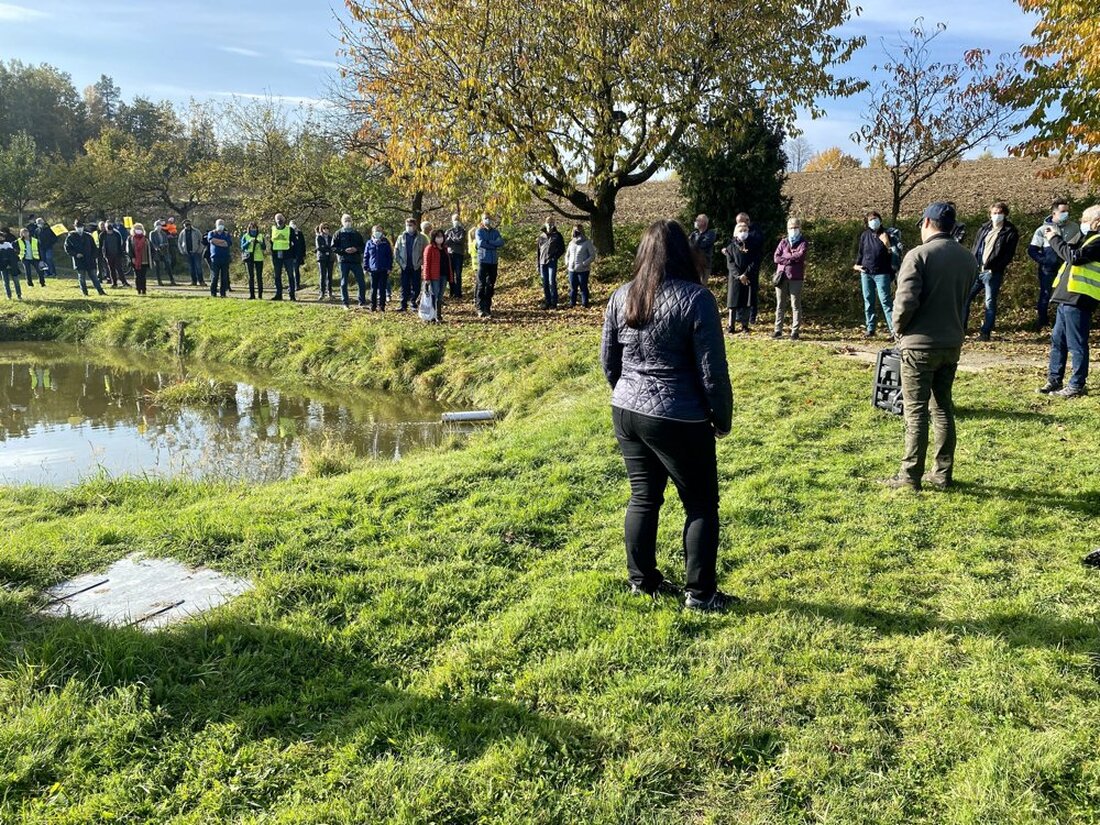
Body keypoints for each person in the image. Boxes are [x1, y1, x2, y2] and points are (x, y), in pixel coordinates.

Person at [600, 219, 735, 612]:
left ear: (643, 254)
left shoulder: (620, 296)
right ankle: (700, 594)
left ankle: (642, 583)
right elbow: (714, 372)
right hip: (678, 416)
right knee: (701, 504)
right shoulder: (697, 299)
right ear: (685, 252)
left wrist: (626, 394)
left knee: (643, 496)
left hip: (626, 410)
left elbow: (610, 361)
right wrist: (721, 419)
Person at [885, 202, 978, 492]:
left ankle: (910, 477)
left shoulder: (917, 255)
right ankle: (942, 473)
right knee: (943, 409)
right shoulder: (968, 258)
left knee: (915, 412)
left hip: (918, 345)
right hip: (951, 342)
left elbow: (905, 302)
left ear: (927, 223)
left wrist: (898, 329)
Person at [1037, 204, 1100, 399]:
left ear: (1096, 223)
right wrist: (1057, 236)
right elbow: (1069, 250)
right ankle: (1055, 380)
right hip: (1067, 297)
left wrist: (1053, 238)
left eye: (1084, 220)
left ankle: (1076, 385)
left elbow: (1073, 257)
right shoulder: (1086, 239)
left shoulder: (1098, 242)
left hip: (1080, 298)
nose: (1081, 223)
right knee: (1058, 341)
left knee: (1076, 344)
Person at [965, 202, 1020, 341]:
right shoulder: (984, 228)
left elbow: (1008, 255)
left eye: (999, 213)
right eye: (994, 213)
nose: (996, 216)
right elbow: (975, 247)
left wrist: (994, 269)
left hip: (992, 272)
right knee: (965, 298)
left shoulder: (1010, 232)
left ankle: (985, 332)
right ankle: (961, 328)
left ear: (1005, 214)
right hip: (977, 270)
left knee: (989, 302)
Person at [1027, 198, 1079, 331]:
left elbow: (1077, 248)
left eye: (1067, 211)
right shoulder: (1042, 229)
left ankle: (1061, 324)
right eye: (1062, 211)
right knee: (1045, 295)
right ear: (1054, 213)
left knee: (1064, 297)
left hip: (1067, 269)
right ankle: (1042, 323)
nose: (1066, 214)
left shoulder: (1074, 228)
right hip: (1047, 269)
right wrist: (1045, 261)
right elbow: (1032, 250)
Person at [854, 211, 895, 339]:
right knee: (868, 301)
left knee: (886, 302)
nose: (874, 221)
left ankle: (894, 330)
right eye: (871, 219)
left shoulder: (887, 234)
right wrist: (856, 265)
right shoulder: (864, 235)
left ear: (880, 220)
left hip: (882, 272)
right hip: (866, 272)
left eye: (876, 218)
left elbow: (894, 254)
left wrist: (887, 243)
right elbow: (861, 252)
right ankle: (870, 328)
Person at [773, 218, 808, 339]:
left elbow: (801, 255)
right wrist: (791, 258)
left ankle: (795, 331)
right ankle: (778, 330)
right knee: (780, 304)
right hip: (782, 276)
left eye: (795, 227)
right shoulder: (783, 242)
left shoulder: (803, 242)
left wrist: (786, 257)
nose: (793, 230)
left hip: (796, 277)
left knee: (795, 305)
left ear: (799, 228)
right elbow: (776, 257)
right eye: (791, 228)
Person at [723, 221, 756, 333]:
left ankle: (745, 325)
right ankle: (731, 326)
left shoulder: (752, 246)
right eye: (741, 231)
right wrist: (739, 275)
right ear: (736, 233)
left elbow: (754, 262)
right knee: (733, 303)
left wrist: (746, 274)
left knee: (746, 302)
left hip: (747, 277)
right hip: (735, 278)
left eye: (745, 230)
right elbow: (730, 263)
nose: (743, 233)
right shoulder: (730, 247)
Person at [734, 211, 764, 323]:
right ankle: (739, 315)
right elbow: (734, 242)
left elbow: (756, 245)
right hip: (740, 268)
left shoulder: (755, 231)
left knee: (752, 293)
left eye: (741, 223)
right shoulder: (738, 232)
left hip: (752, 268)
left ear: (747, 221)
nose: (740, 226)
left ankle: (752, 317)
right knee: (740, 292)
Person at [64, 221, 107, 296]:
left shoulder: (88, 236)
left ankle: (100, 291)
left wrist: (94, 256)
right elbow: (67, 248)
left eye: (81, 227)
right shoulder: (71, 237)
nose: (80, 229)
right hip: (79, 260)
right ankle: (85, 293)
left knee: (94, 277)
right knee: (82, 278)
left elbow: (94, 247)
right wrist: (75, 254)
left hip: (90, 259)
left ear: (83, 227)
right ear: (75, 227)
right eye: (78, 227)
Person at [333, 214, 367, 309]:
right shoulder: (338, 233)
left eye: (349, 220)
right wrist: (343, 250)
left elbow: (363, 246)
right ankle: (345, 303)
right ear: (342, 222)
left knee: (361, 282)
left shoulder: (356, 233)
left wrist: (356, 249)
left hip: (356, 261)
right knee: (344, 282)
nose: (347, 222)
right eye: (345, 220)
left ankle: (362, 302)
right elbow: (333, 247)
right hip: (344, 261)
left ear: (352, 221)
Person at [475, 213, 504, 318]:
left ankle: (487, 308)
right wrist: (493, 244)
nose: (487, 220)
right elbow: (481, 243)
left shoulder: (495, 232)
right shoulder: (479, 231)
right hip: (483, 260)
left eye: (488, 218)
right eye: (485, 219)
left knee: (490, 285)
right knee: (481, 284)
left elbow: (501, 242)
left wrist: (489, 243)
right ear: (482, 220)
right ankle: (479, 307)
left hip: (493, 261)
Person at [394, 217, 426, 312]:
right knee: (404, 286)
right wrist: (401, 263)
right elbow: (396, 251)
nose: (409, 227)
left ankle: (413, 303)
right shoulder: (401, 237)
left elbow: (426, 252)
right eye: (407, 225)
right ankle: (403, 305)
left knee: (416, 287)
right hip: (405, 266)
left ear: (415, 226)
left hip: (416, 266)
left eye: (411, 225)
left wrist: (420, 262)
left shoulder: (422, 238)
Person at [422, 228, 453, 322]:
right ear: (433, 237)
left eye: (441, 236)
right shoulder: (429, 248)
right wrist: (426, 278)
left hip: (443, 275)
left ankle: (438, 315)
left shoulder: (444, 248)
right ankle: (432, 316)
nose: (440, 238)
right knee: (434, 296)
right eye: (438, 236)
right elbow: (426, 264)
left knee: (440, 296)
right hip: (434, 276)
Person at [536, 216, 566, 310]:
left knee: (551, 282)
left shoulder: (557, 235)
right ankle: (547, 302)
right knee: (545, 283)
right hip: (542, 262)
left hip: (551, 262)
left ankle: (554, 302)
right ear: (545, 223)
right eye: (548, 222)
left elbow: (562, 249)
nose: (550, 224)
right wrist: (538, 264)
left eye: (551, 222)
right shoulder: (541, 236)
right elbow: (538, 251)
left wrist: (555, 257)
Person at [565, 224, 597, 308]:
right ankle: (572, 303)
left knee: (583, 287)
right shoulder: (571, 243)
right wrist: (567, 262)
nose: (576, 232)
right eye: (575, 230)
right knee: (573, 287)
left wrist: (584, 263)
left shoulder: (587, 242)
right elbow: (567, 254)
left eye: (578, 230)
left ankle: (585, 303)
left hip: (583, 270)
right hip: (572, 269)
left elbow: (592, 255)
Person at [364, 225, 393, 312]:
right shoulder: (369, 243)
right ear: (372, 232)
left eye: (380, 231)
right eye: (376, 231)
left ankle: (382, 306)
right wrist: (366, 267)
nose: (378, 232)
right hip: (373, 269)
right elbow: (366, 256)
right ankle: (373, 305)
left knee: (382, 288)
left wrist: (389, 267)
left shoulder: (386, 242)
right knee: (373, 288)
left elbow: (389, 256)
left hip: (383, 269)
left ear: (382, 232)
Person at [269, 213, 295, 301]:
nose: (279, 220)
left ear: (284, 219)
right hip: (276, 256)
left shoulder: (289, 229)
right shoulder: (272, 229)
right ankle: (278, 294)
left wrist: (294, 255)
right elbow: (271, 242)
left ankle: (292, 295)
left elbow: (294, 242)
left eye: (281, 218)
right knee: (277, 276)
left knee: (290, 275)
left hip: (288, 255)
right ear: (275, 220)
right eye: (277, 219)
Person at [206, 220, 232, 298]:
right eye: (219, 224)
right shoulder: (212, 233)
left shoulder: (227, 234)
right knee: (215, 276)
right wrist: (222, 241)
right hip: (215, 258)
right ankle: (213, 293)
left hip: (225, 258)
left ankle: (223, 293)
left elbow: (227, 244)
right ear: (216, 225)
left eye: (222, 224)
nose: (221, 225)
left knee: (224, 277)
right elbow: (212, 241)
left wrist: (218, 242)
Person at [125, 222, 153, 295]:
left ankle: (144, 290)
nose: (138, 230)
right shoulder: (130, 238)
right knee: (137, 276)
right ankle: (138, 290)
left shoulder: (146, 239)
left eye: (140, 229)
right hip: (135, 260)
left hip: (145, 260)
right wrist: (132, 258)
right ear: (133, 230)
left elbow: (150, 249)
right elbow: (129, 250)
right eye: (137, 229)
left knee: (143, 276)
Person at [241, 222, 266, 300]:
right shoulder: (245, 236)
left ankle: (260, 294)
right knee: (251, 277)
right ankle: (252, 295)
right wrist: (248, 242)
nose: (253, 230)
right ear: (249, 228)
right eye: (252, 228)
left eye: (255, 228)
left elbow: (264, 247)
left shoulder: (261, 236)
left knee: (259, 277)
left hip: (259, 258)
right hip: (249, 258)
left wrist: (260, 243)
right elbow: (242, 247)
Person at [100, 220, 129, 288]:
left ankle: (124, 282)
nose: (110, 232)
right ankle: (114, 283)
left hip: (117, 254)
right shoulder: (102, 235)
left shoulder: (117, 234)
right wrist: (103, 254)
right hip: (108, 255)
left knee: (119, 269)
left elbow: (120, 244)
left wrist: (121, 254)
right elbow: (101, 245)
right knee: (111, 269)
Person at [444, 213, 466, 298]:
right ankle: (452, 292)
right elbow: (445, 242)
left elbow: (460, 240)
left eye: (457, 219)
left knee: (458, 274)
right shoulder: (448, 231)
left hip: (459, 254)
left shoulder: (462, 231)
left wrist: (451, 239)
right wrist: (453, 239)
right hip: (450, 254)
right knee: (451, 274)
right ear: (452, 221)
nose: (456, 221)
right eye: (454, 219)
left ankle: (458, 292)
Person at [178, 218, 206, 286]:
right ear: (183, 225)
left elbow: (201, 241)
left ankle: (201, 281)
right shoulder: (182, 233)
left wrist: (199, 250)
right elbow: (179, 242)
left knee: (198, 267)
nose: (187, 225)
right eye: (185, 224)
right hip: (187, 253)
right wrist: (182, 250)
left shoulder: (196, 231)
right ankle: (194, 281)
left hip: (196, 252)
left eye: (188, 223)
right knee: (191, 268)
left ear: (190, 224)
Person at [149, 220, 176, 286]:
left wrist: (164, 245)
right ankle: (159, 281)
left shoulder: (163, 233)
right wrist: (157, 248)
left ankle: (172, 280)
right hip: (156, 252)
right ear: (155, 226)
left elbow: (167, 242)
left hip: (164, 251)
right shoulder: (152, 233)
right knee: (157, 267)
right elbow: (152, 242)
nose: (159, 227)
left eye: (160, 226)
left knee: (168, 265)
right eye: (157, 225)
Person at [0, 228, 22, 300]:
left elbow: (12, 255)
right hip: (3, 266)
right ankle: (9, 296)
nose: (1, 238)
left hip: (12, 265)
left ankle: (19, 295)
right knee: (6, 282)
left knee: (16, 281)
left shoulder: (8, 244)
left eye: (2, 236)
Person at [315, 222, 335, 301]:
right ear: (321, 229)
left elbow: (333, 247)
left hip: (330, 258)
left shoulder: (331, 237)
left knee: (329, 276)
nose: (326, 229)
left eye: (327, 228)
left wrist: (326, 248)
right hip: (322, 258)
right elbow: (319, 247)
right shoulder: (318, 237)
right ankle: (322, 293)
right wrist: (327, 248)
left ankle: (330, 292)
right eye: (324, 228)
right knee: (322, 275)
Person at [289, 220, 306, 292]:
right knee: (290, 271)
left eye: (294, 224)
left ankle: (297, 285)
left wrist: (303, 254)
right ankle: (291, 285)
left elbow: (303, 244)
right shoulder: (288, 232)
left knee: (296, 269)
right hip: (289, 254)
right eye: (292, 224)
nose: (293, 225)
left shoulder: (299, 233)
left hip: (297, 255)